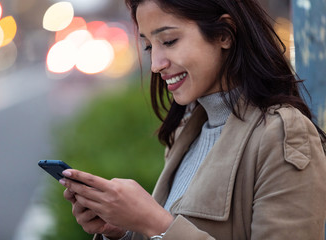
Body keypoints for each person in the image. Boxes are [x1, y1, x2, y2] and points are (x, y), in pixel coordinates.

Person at [59, 0, 326, 239]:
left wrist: (155, 223)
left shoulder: (283, 134)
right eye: (149, 47)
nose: (156, 64)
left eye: (170, 41)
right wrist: (123, 231)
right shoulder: (187, 132)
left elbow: (166, 228)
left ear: (224, 34)